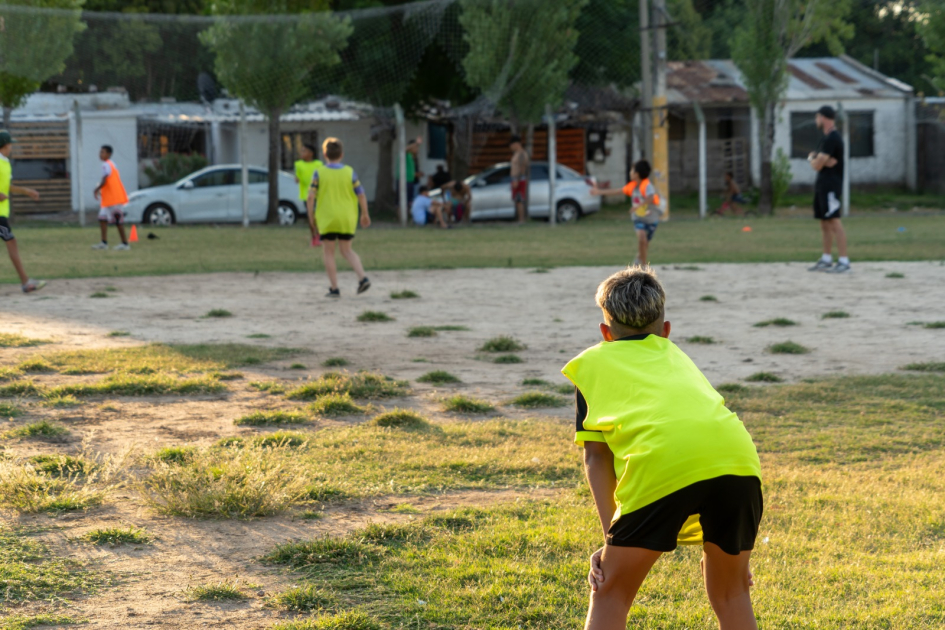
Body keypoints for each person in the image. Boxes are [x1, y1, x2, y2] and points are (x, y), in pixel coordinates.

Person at [563, 267, 763, 630]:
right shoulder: (678, 357)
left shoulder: (591, 364)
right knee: (732, 592)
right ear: (666, 330)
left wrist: (611, 539)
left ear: (605, 333)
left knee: (610, 593)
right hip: (739, 462)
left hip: (664, 465)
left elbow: (596, 458)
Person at [307, 137, 371, 298]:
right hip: (347, 218)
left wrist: (311, 217)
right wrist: (365, 213)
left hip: (327, 218)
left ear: (324, 154)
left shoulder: (319, 172)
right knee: (347, 250)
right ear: (341, 154)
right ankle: (362, 278)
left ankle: (334, 288)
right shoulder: (349, 172)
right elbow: (361, 194)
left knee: (329, 252)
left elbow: (310, 197)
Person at [591, 160, 663, 266]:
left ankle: (638, 259)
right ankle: (644, 266)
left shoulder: (646, 186)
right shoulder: (632, 186)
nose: (630, 172)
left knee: (645, 243)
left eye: (632, 170)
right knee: (642, 238)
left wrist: (638, 206)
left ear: (637, 173)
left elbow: (650, 197)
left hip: (652, 219)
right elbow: (617, 191)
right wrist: (599, 192)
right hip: (638, 218)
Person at [0, 130, 45, 293]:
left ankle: (26, 282)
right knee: (11, 241)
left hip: (2, 212)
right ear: (4, 145)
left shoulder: (5, 163)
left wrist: (26, 191)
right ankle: (26, 282)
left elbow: (7, 187)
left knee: (11, 242)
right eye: (10, 144)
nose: (12, 147)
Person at [807, 105, 850, 273]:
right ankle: (826, 258)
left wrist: (812, 157)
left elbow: (817, 165)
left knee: (834, 220)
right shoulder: (825, 139)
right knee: (824, 222)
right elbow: (820, 162)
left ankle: (844, 261)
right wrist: (817, 159)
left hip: (831, 184)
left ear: (823, 118)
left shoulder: (833, 138)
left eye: (817, 117)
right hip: (822, 184)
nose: (816, 121)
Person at [92, 145, 130, 250]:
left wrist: (96, 189)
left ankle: (125, 244)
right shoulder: (112, 164)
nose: (100, 154)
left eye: (103, 152)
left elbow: (104, 180)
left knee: (118, 221)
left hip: (114, 198)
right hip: (108, 199)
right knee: (102, 218)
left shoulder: (106, 165)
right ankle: (104, 243)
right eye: (100, 152)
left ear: (109, 154)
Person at [294, 143, 323, 246]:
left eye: (304, 151)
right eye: (301, 151)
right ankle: (314, 237)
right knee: (310, 216)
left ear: (311, 153)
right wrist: (297, 179)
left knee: (318, 216)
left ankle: (320, 235)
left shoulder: (318, 164)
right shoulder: (298, 164)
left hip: (318, 194)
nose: (302, 153)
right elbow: (297, 179)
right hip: (306, 195)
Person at [509, 135, 530, 223]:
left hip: (519, 179)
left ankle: (521, 220)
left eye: (511, 145)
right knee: (517, 200)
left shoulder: (521, 154)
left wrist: (517, 180)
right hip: (516, 179)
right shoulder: (516, 154)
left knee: (519, 200)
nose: (511, 148)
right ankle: (519, 219)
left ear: (516, 144)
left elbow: (522, 168)